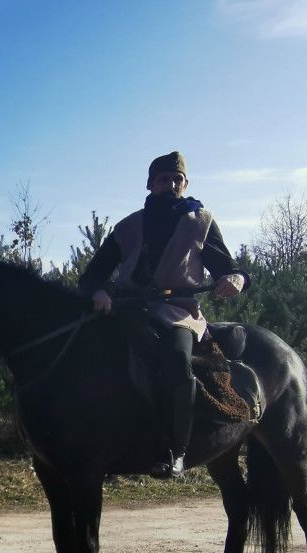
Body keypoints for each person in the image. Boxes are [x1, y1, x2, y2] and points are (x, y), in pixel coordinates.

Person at [79, 151, 248, 479]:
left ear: (186, 184)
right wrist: (99, 291)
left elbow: (229, 268)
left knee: (174, 358)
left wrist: (236, 279)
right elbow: (91, 277)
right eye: (163, 179)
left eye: (177, 180)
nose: (171, 184)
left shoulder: (201, 221)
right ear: (149, 184)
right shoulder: (128, 226)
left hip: (177, 311)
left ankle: (176, 450)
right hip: (127, 307)